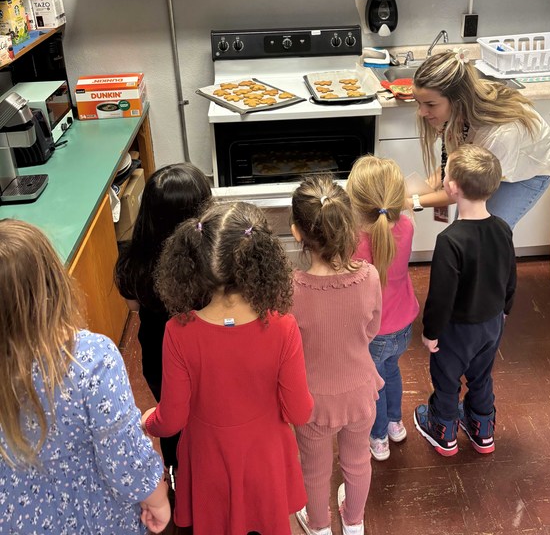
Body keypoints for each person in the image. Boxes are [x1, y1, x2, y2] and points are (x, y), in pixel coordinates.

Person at [142, 201, 313, 535]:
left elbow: (172, 419)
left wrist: (149, 420)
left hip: (209, 458)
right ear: (264, 261)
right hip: (266, 457)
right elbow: (300, 412)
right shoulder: (283, 327)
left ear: (194, 263)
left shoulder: (178, 332)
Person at [0, 219, 170, 534]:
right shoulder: (91, 360)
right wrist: (157, 498)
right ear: (53, 284)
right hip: (95, 518)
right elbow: (124, 457)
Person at [291, 174, 383, 535]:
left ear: (297, 232)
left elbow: (289, 349)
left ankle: (318, 527)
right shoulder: (370, 276)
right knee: (358, 462)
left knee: (314, 469)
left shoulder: (291, 289)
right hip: (361, 392)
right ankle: (355, 522)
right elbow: (372, 329)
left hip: (312, 401)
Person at [414, 145, 517, 457]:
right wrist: (505, 312)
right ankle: (482, 429)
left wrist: (430, 332)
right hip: (491, 324)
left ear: (452, 187)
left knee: (446, 380)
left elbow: (441, 296)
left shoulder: (450, 240)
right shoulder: (502, 228)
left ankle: (443, 431)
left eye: (446, 175)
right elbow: (510, 274)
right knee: (481, 376)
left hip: (457, 331)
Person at [115, 162, 212, 473]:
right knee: (207, 413)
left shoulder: (135, 259)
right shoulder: (211, 262)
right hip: (207, 353)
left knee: (172, 416)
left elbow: (132, 306)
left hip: (158, 354)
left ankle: (178, 472)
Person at [409, 49, 550, 228]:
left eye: (430, 104)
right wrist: (419, 190)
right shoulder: (457, 109)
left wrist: (412, 202)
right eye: (419, 103)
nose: (421, 112)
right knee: (465, 228)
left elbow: (458, 189)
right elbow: (450, 166)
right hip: (494, 156)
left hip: (528, 171)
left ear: (458, 101)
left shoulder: (500, 134)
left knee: (487, 232)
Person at [347, 155, 419, 462]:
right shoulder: (407, 226)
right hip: (403, 324)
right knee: (391, 372)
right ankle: (395, 423)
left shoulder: (354, 241)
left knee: (371, 386)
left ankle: (377, 439)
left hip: (373, 332)